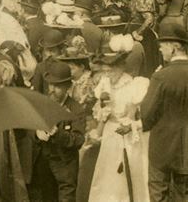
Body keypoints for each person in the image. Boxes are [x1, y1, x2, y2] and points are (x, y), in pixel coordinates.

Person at [88, 35, 151, 201]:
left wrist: (127, 127)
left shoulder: (134, 85)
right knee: (108, 174)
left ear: (122, 66)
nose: (108, 74)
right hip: (110, 132)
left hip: (127, 134)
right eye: (106, 71)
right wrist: (99, 130)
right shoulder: (105, 84)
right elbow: (103, 113)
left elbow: (131, 116)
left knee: (127, 172)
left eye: (112, 70)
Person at [143, 19, 188, 201]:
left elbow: (146, 115)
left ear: (175, 47)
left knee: (158, 193)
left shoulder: (161, 76)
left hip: (162, 146)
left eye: (162, 45)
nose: (160, 49)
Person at [32, 62, 85, 202]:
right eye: (50, 85)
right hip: (45, 165)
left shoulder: (76, 109)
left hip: (65, 167)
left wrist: (57, 133)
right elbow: (32, 130)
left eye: (58, 86)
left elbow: (78, 140)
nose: (52, 89)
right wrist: (37, 134)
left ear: (68, 87)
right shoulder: (43, 104)